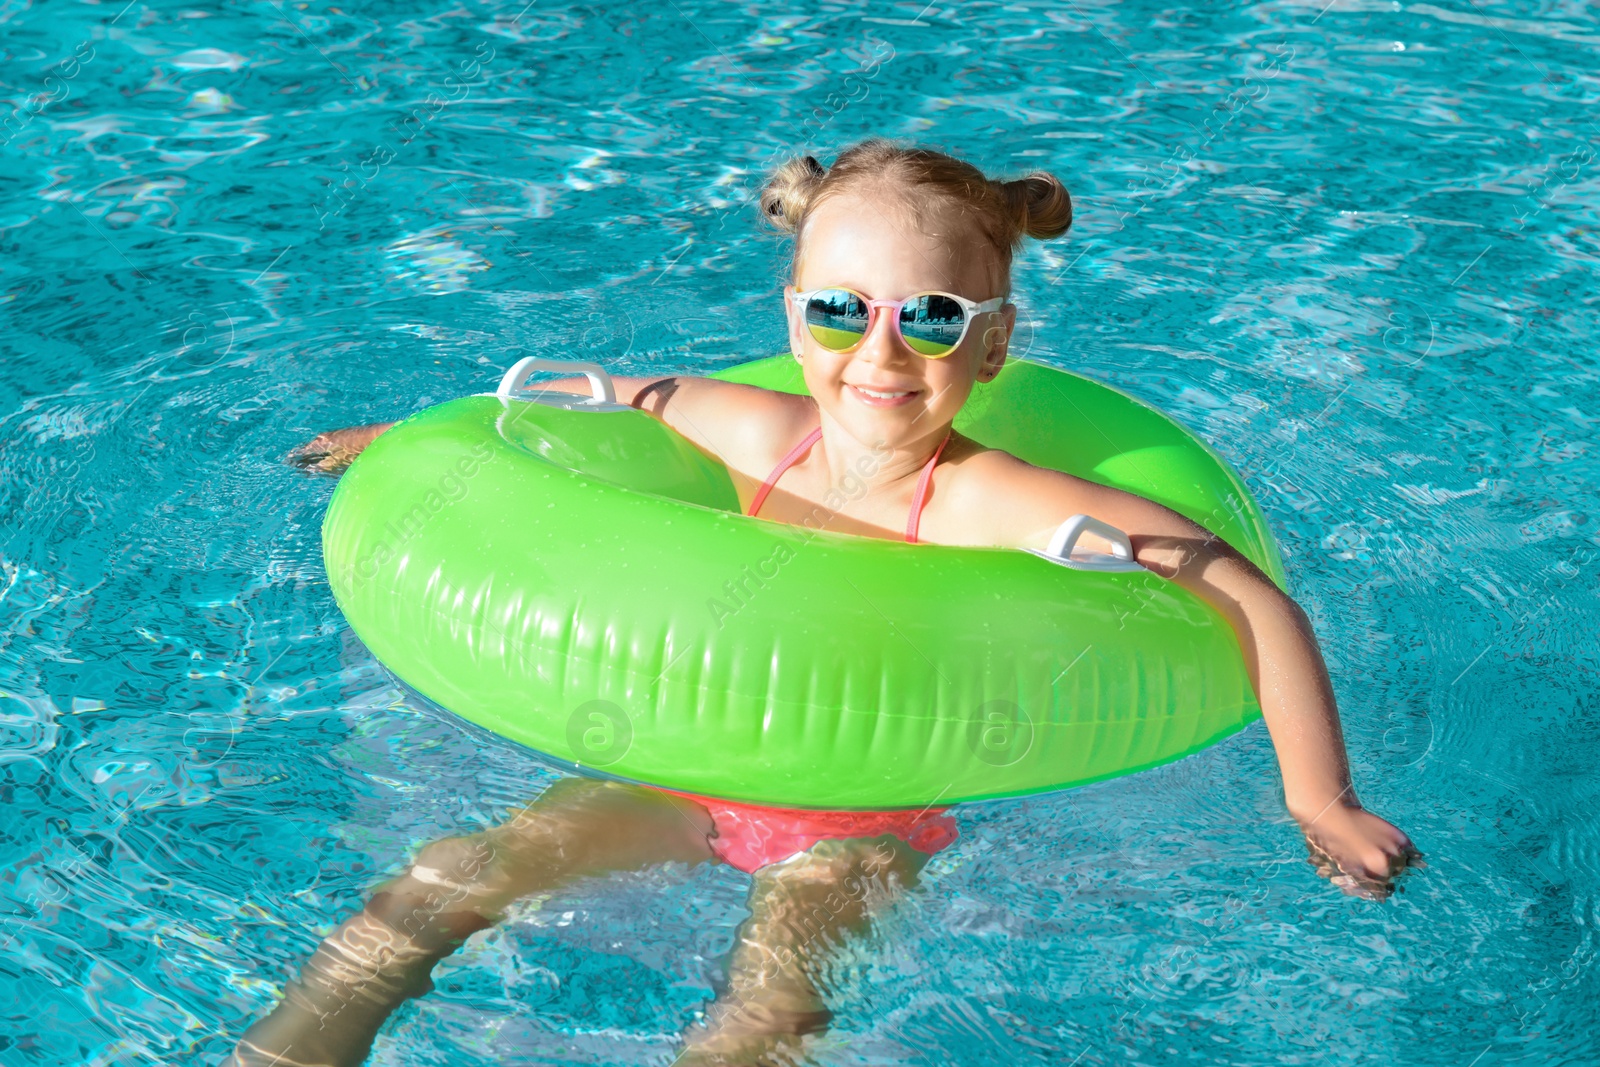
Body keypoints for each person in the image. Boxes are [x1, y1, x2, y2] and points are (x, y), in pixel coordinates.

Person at [231, 139, 1420, 1067]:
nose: (880, 353)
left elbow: (1244, 592)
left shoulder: (993, 494)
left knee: (767, 1005)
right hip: (678, 762)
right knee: (445, 873)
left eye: (932, 317)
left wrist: (1319, 798)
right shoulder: (763, 432)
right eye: (841, 310)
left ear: (993, 346)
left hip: (859, 819)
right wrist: (400, 450)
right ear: (793, 315)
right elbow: (589, 402)